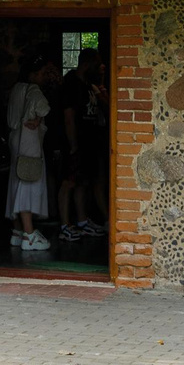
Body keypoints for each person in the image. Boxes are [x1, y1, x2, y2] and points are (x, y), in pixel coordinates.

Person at [5, 58, 56, 253]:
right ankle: (29, 233)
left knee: (16, 180)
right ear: (33, 74)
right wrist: (38, 117)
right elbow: (44, 107)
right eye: (42, 73)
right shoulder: (33, 89)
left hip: (15, 139)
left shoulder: (17, 88)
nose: (43, 77)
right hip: (29, 139)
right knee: (28, 180)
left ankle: (17, 230)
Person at [58, 47, 109, 242]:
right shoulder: (71, 84)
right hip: (75, 141)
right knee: (68, 182)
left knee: (83, 182)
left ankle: (82, 221)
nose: (99, 69)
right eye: (96, 65)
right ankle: (65, 225)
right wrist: (72, 144)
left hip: (88, 141)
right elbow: (69, 116)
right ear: (86, 64)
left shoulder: (87, 84)